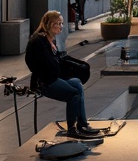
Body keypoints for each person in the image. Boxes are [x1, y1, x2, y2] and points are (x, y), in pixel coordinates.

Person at [24, 10, 99, 138]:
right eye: (57, 23)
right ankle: (72, 129)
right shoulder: (38, 41)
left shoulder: (49, 39)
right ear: (48, 24)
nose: (60, 26)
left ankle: (82, 125)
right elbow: (34, 62)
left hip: (53, 77)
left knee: (77, 84)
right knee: (73, 94)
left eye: (61, 23)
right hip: (45, 81)